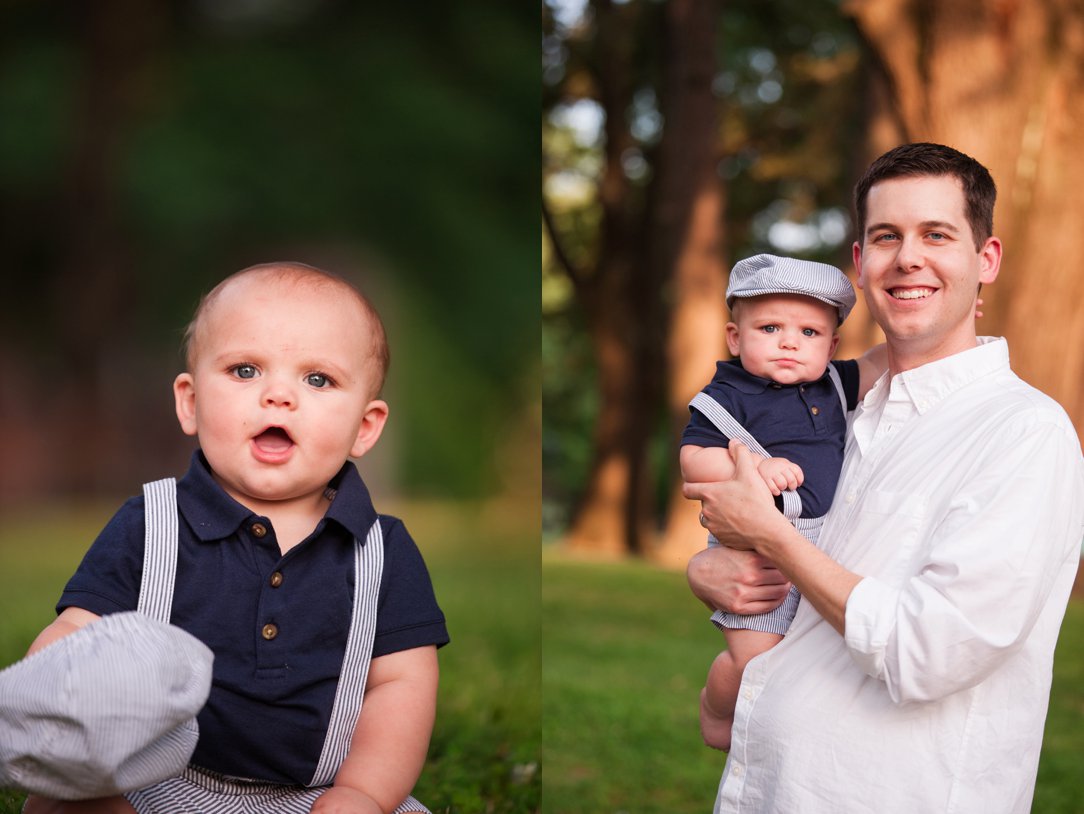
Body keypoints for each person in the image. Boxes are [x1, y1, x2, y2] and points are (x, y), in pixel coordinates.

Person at [685, 142, 1084, 813]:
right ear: (860, 264)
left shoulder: (1025, 433)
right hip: (773, 789)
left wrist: (774, 541)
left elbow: (930, 651)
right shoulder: (838, 409)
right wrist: (713, 570)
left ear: (985, 260)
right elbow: (801, 552)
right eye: (886, 237)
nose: (909, 258)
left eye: (937, 234)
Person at [20, 262, 450, 814]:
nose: (278, 395)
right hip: (152, 783)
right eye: (246, 370)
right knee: (67, 801)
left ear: (364, 427)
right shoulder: (150, 525)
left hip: (312, 796)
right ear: (190, 402)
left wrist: (363, 793)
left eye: (317, 379)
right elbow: (80, 633)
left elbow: (400, 686)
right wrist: (51, 693)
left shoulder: (382, 552)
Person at [680, 253, 886, 750]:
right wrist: (749, 464)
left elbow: (883, 359)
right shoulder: (727, 395)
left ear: (831, 345)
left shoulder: (834, 382)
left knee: (809, 660)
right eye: (770, 328)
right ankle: (718, 706)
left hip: (827, 544)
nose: (791, 342)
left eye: (810, 333)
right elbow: (692, 460)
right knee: (755, 658)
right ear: (736, 337)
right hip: (756, 551)